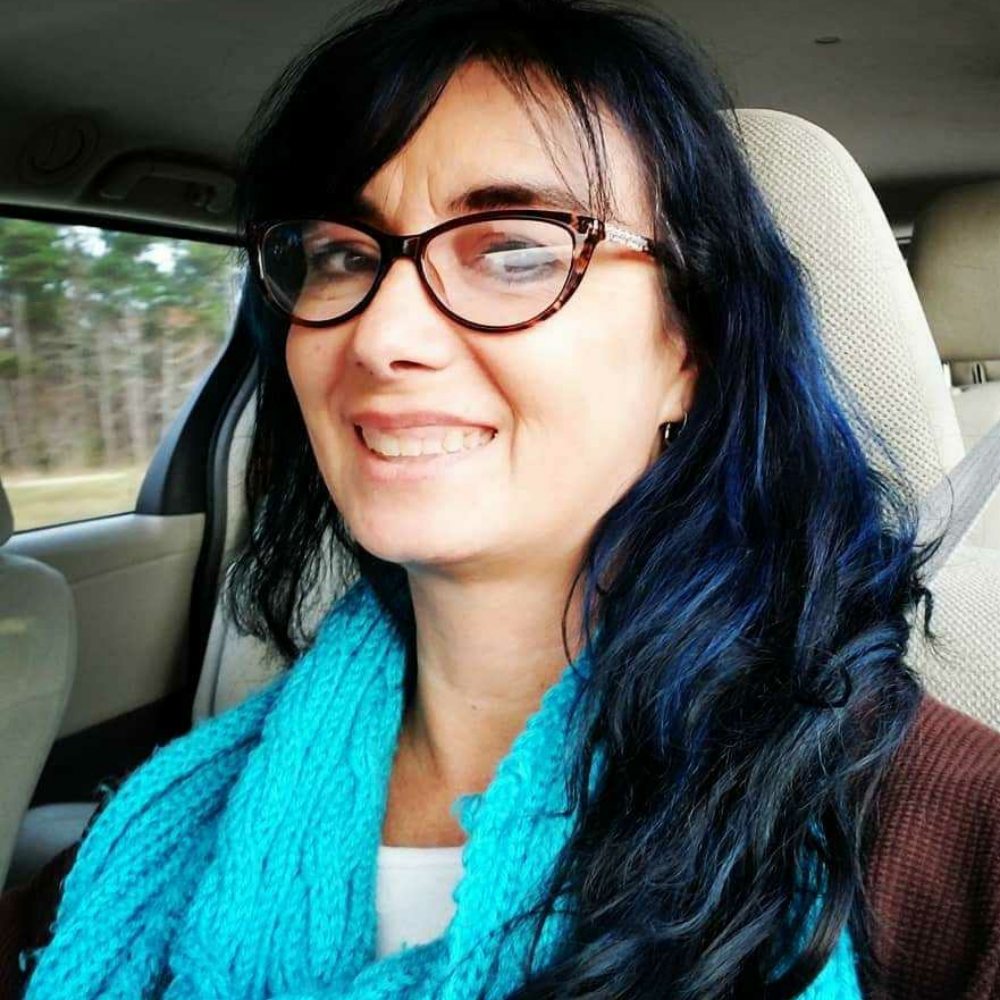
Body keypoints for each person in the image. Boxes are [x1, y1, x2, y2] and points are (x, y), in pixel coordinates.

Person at [3, 0, 999, 997]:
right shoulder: (151, 843)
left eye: (515, 251)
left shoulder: (953, 842)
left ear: (689, 348)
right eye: (343, 254)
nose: (382, 335)